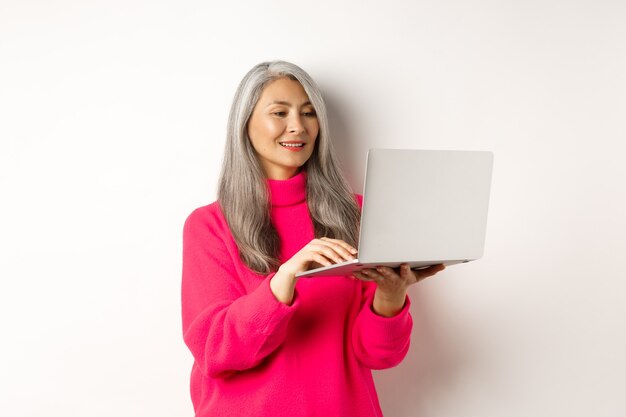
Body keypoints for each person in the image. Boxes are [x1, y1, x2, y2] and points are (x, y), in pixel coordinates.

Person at [181, 60, 445, 417]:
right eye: (280, 112)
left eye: (309, 113)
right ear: (244, 125)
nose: (298, 126)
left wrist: (391, 294)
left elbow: (378, 355)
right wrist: (285, 280)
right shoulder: (210, 225)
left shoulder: (358, 213)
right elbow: (215, 350)